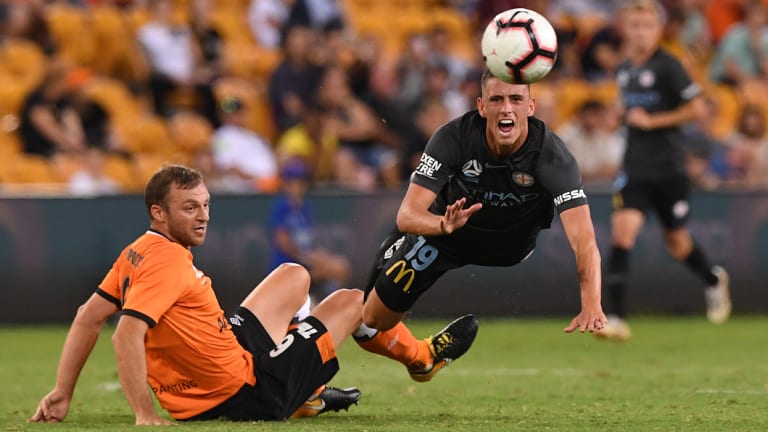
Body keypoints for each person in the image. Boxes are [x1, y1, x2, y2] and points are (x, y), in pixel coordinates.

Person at [30, 165, 362, 425]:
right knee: (353, 301)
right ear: (159, 213)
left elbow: (88, 316)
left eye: (205, 204)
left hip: (205, 386)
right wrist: (144, 414)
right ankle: (415, 359)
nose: (203, 216)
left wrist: (62, 392)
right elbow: (126, 333)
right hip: (246, 395)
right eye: (190, 207)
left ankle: (306, 391)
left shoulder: (137, 251)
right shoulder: (169, 262)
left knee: (294, 274)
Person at [349, 68, 607, 383]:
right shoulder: (453, 137)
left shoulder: (553, 157)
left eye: (515, 99)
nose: (506, 108)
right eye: (496, 99)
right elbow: (407, 215)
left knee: (361, 314)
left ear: (531, 106)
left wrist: (592, 301)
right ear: (481, 106)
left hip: (508, 245)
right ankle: (424, 357)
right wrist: (442, 225)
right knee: (372, 318)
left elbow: (584, 239)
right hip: (445, 234)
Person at [597, 0, 731, 342]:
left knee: (677, 244)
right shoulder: (625, 69)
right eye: (635, 25)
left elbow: (698, 109)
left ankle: (713, 279)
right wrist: (616, 117)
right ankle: (616, 318)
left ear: (658, 29)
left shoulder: (669, 66)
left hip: (669, 169)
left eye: (646, 25)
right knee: (621, 236)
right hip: (635, 168)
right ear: (626, 29)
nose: (640, 31)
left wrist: (654, 121)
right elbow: (625, 107)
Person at [268, 159, 351, 301]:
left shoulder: (304, 207)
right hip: (287, 264)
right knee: (336, 269)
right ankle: (324, 308)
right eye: (294, 182)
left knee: (340, 266)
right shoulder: (282, 206)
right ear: (286, 184)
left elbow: (309, 240)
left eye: (302, 182)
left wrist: (318, 255)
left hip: (304, 260)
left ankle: (322, 305)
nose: (299, 186)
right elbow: (281, 240)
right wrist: (304, 256)